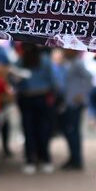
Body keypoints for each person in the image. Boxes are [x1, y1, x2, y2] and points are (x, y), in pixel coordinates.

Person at [17, 44, 61, 174]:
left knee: (28, 129)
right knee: (44, 129)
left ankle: (30, 160)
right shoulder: (46, 60)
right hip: (42, 98)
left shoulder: (21, 61)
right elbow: (53, 81)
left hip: (26, 98)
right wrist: (57, 95)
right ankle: (45, 159)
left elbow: (14, 81)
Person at [58, 50, 92, 170]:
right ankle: (73, 158)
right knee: (71, 131)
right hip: (70, 102)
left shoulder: (77, 63)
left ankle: (76, 159)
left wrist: (82, 94)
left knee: (73, 131)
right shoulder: (70, 63)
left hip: (75, 103)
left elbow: (89, 77)